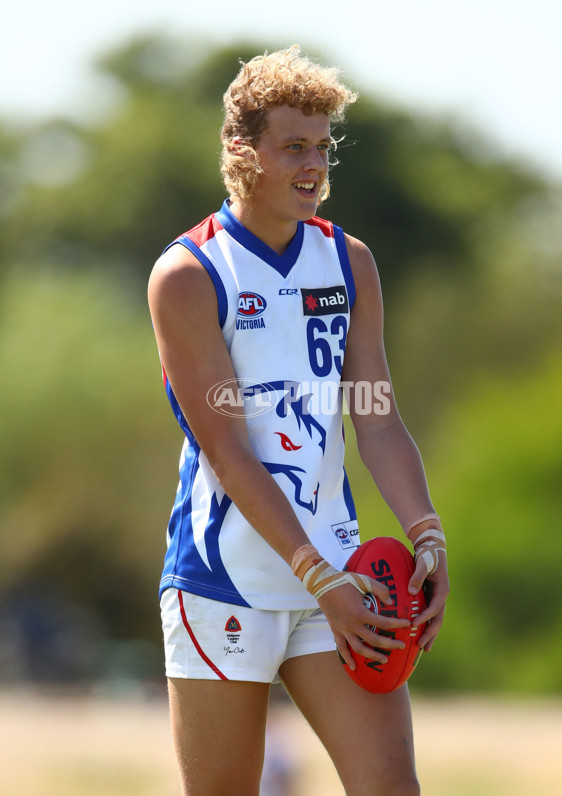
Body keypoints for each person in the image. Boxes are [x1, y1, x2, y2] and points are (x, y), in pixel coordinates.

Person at [148, 45, 449, 796]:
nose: (314, 165)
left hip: (339, 578)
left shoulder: (350, 262)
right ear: (242, 151)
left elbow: (375, 418)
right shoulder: (189, 275)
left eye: (322, 147)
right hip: (226, 582)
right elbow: (227, 450)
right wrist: (319, 580)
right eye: (293, 147)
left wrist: (427, 533)